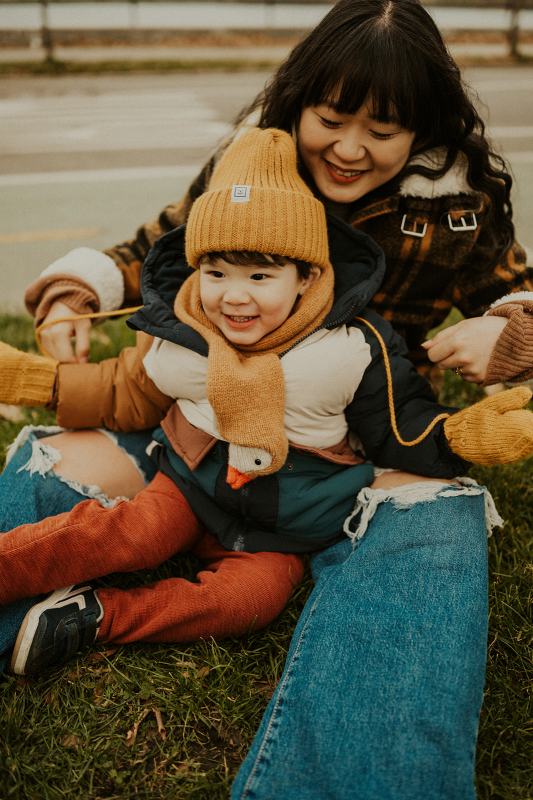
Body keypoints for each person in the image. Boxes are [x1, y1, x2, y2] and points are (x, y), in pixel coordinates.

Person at [1, 0, 532, 796]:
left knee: (436, 520)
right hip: (201, 428)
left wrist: (510, 333)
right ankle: (39, 618)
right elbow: (158, 246)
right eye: (331, 117)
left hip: (359, 455)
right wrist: (74, 292)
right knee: (58, 458)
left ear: (422, 129)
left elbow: (514, 290)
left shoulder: (457, 204)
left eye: (383, 132)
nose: (350, 149)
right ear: (299, 102)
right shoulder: (249, 168)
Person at [3, 125, 530, 676]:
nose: (234, 295)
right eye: (215, 273)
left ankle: (95, 617)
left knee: (248, 602)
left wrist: (458, 435)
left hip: (285, 530)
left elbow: (400, 426)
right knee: (127, 533)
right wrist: (34, 380)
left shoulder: (348, 348)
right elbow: (121, 391)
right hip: (188, 488)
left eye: (260, 275)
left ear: (306, 277)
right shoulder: (183, 332)